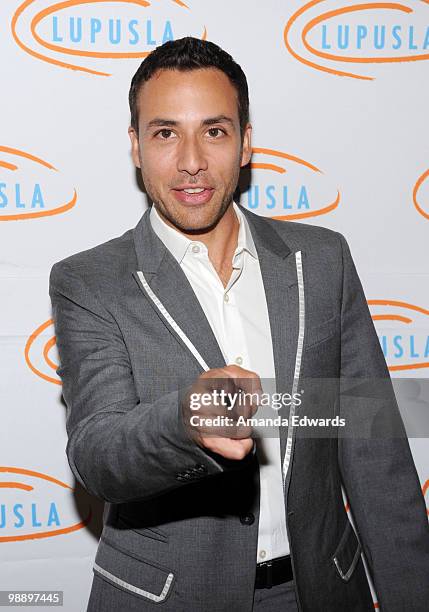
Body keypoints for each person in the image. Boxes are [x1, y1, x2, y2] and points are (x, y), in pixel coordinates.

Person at [49, 37, 429, 612]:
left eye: (215, 131)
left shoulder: (321, 260)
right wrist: (186, 420)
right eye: (165, 132)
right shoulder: (90, 281)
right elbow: (100, 455)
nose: (192, 160)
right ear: (136, 146)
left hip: (320, 591)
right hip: (168, 599)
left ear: (246, 142)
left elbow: (374, 450)